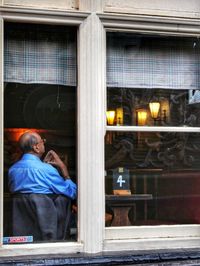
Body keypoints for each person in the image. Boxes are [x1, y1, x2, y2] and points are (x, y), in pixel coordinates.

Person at [8, 131, 77, 241]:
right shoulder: (47, 170)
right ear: (36, 147)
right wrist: (64, 170)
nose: (43, 143)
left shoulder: (12, 170)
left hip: (21, 228)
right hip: (46, 228)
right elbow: (72, 193)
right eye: (42, 141)